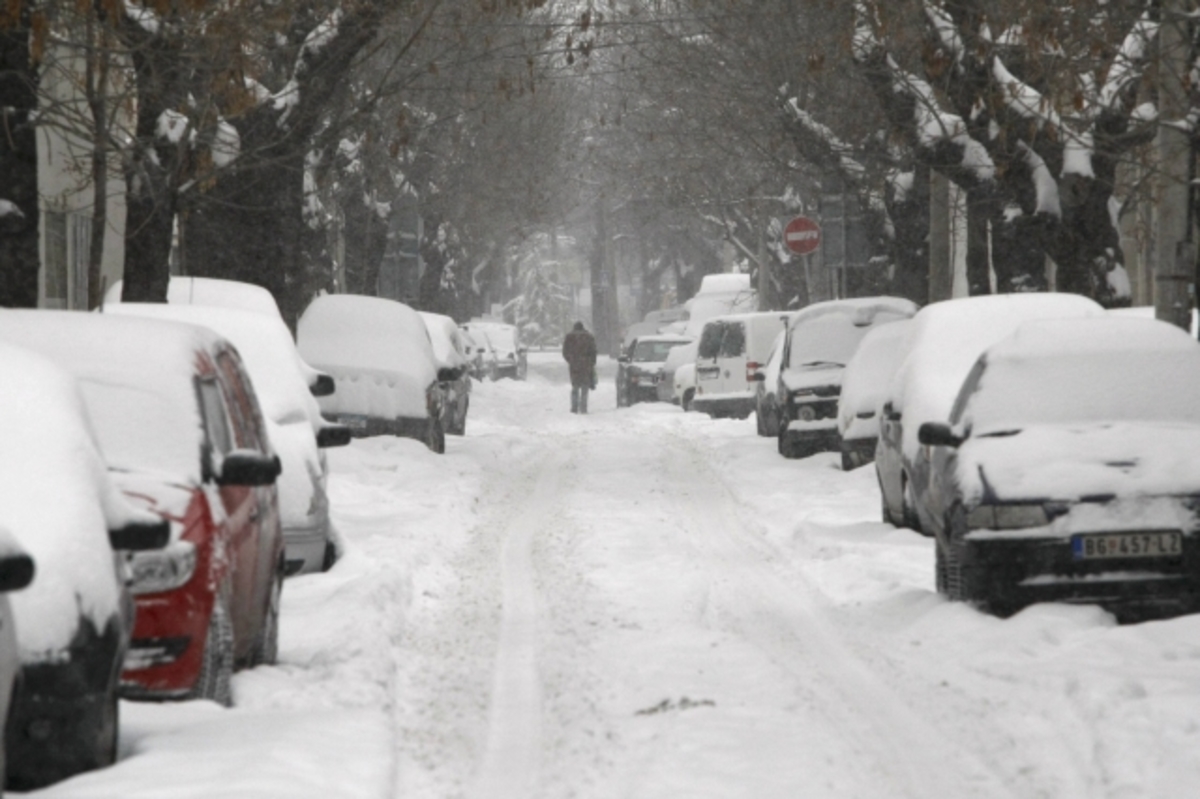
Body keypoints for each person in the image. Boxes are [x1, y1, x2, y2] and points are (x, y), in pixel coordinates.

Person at [562, 321, 597, 414]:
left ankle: (574, 407)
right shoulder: (589, 337)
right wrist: (591, 363)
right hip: (586, 365)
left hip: (574, 365)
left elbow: (565, 352)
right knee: (585, 386)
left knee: (575, 386)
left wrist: (571, 360)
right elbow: (593, 352)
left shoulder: (569, 337)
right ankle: (583, 407)